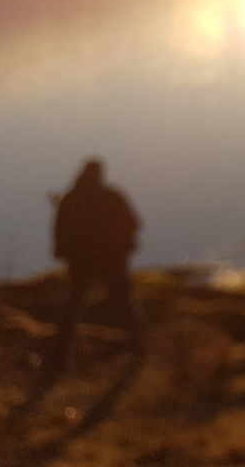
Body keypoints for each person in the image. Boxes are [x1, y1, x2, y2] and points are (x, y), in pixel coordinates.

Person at [48, 158, 144, 368]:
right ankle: (137, 345)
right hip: (111, 260)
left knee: (75, 303)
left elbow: (59, 230)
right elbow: (133, 223)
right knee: (122, 301)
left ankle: (60, 353)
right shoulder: (111, 196)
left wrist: (63, 251)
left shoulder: (71, 199)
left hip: (82, 261)